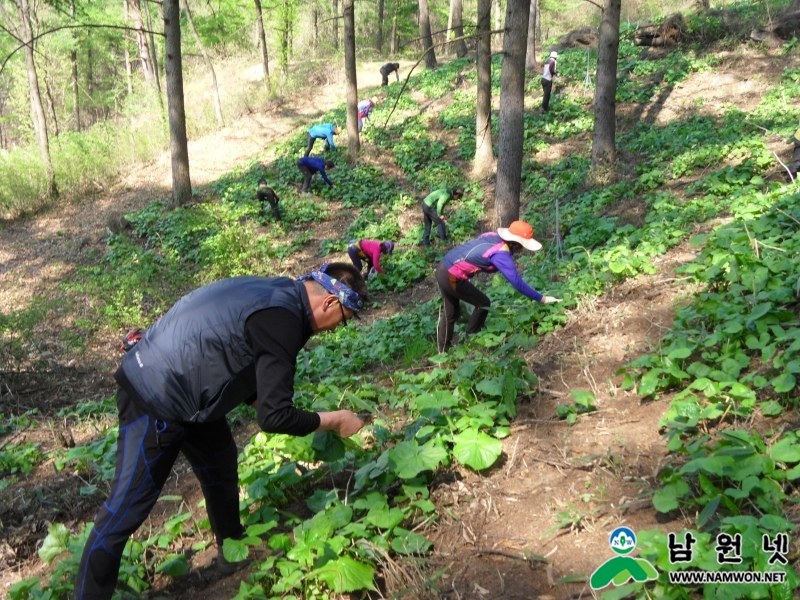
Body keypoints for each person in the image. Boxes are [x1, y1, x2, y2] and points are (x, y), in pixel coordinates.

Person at [71, 263, 368, 600]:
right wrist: (336, 420)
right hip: (155, 394)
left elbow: (237, 349)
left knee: (220, 461)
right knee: (124, 510)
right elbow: (274, 418)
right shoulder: (284, 320)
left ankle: (233, 551)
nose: (335, 329)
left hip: (192, 391)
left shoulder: (280, 293)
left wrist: (259, 397)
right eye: (342, 320)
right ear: (330, 303)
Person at [435, 221, 561, 353]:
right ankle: (472, 340)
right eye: (523, 245)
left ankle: (443, 351)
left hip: (443, 266)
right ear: (517, 243)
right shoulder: (500, 254)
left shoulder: (491, 235)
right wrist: (543, 299)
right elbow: (518, 283)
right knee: (482, 303)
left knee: (451, 312)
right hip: (451, 276)